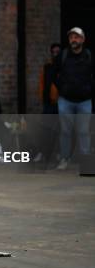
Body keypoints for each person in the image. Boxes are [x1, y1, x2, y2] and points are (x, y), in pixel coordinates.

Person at [52, 27, 94, 170]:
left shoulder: (89, 56)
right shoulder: (63, 56)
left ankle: (86, 162)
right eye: (71, 37)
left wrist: (89, 90)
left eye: (76, 37)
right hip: (66, 100)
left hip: (85, 101)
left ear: (82, 39)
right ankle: (64, 159)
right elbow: (53, 73)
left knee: (83, 132)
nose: (73, 40)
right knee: (65, 131)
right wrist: (62, 88)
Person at [39, 43, 61, 114]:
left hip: (61, 102)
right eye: (53, 52)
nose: (55, 54)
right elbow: (42, 83)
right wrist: (43, 97)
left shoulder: (64, 67)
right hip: (48, 102)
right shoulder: (47, 67)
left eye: (57, 52)